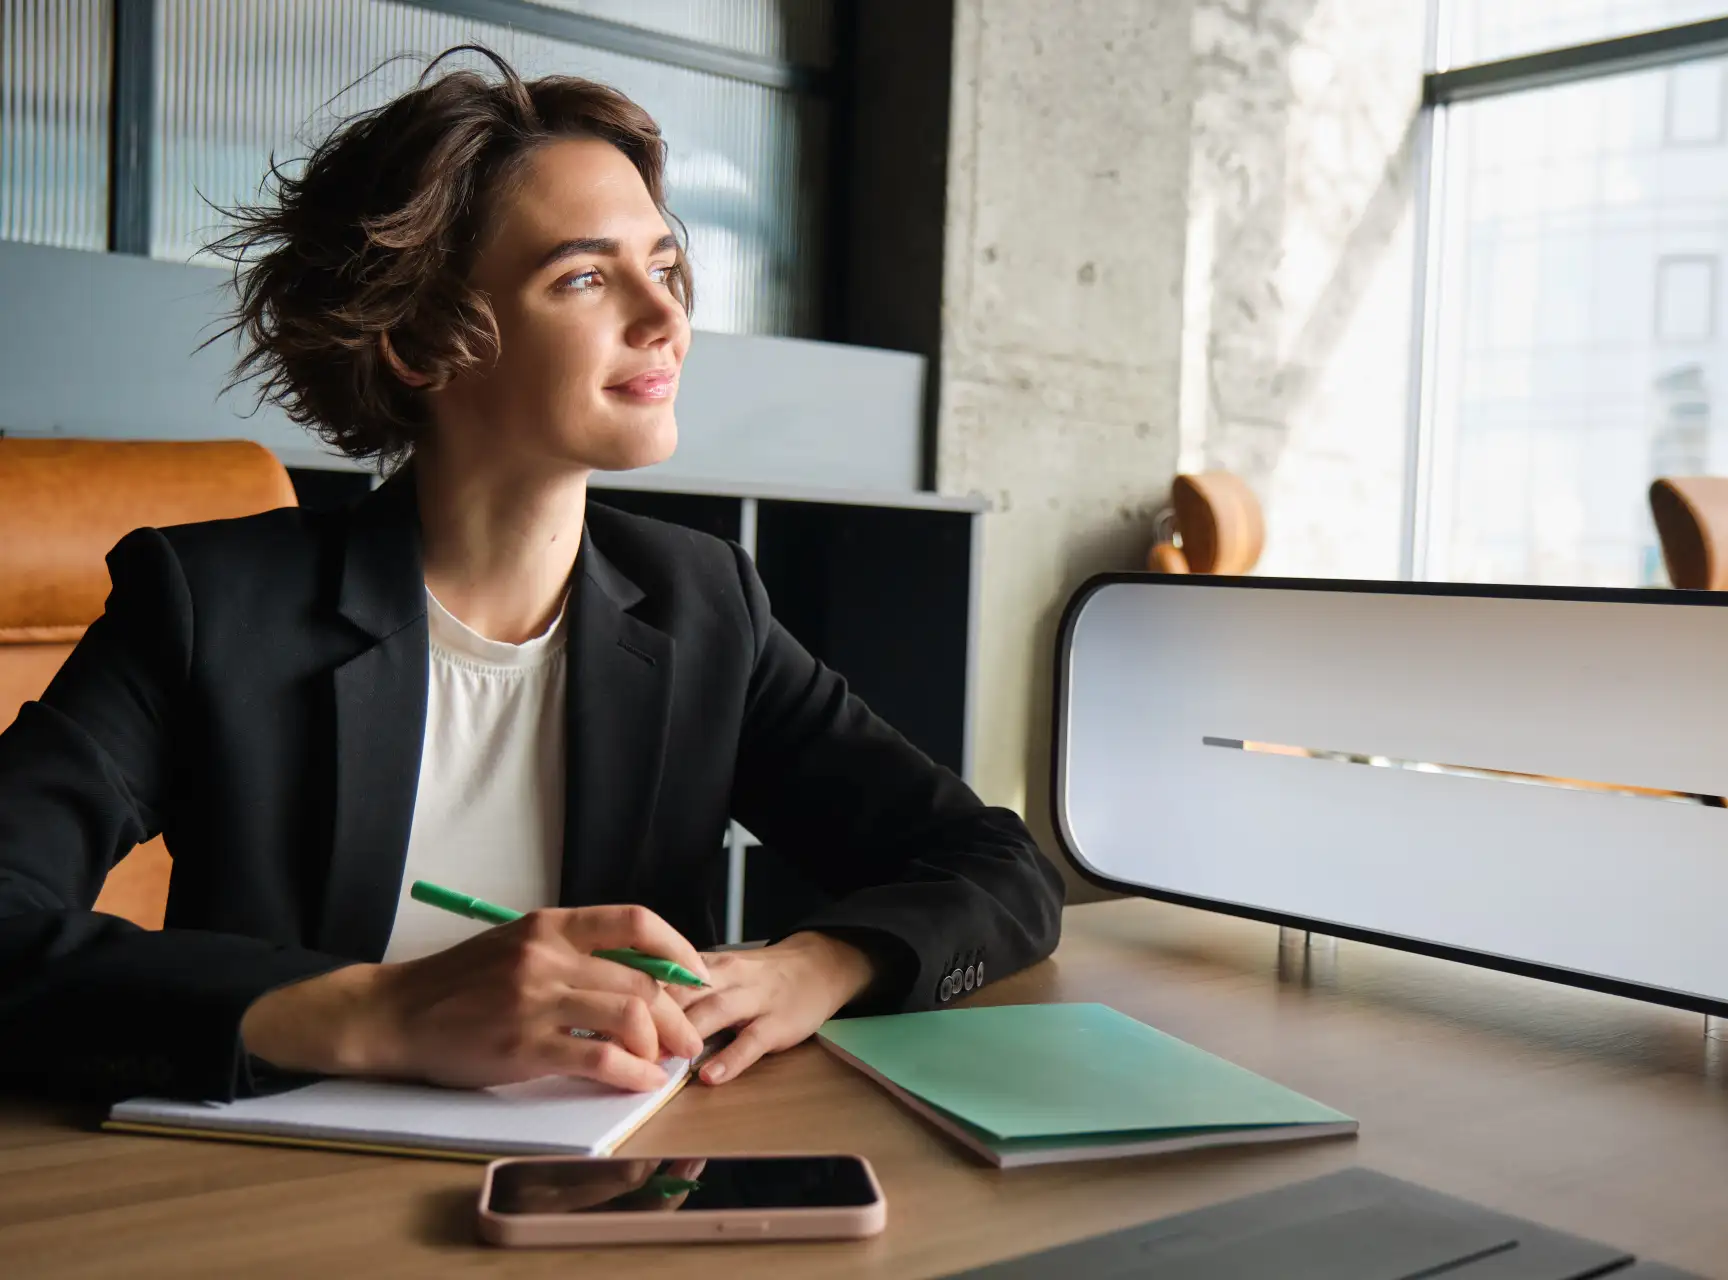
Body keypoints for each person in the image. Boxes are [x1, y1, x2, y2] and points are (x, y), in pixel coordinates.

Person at [0, 47, 1063, 1104]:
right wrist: (379, 1009)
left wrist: (815, 964)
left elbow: (996, 866)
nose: (666, 318)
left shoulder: (703, 607)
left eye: (666, 266)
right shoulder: (211, 607)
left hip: (609, 1189)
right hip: (278, 1197)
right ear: (421, 340)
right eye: (587, 277)